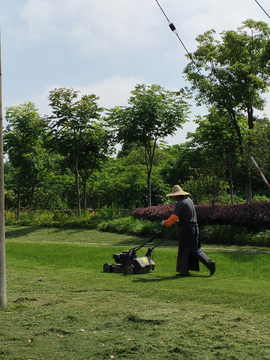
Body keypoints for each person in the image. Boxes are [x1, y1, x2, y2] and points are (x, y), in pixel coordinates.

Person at [161, 185, 215, 277]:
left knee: (185, 250)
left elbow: (173, 219)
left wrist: (165, 223)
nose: (173, 198)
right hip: (194, 227)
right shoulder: (189, 201)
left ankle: (208, 263)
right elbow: (187, 215)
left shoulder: (180, 203)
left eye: (174, 195)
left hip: (187, 230)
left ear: (178, 195)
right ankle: (186, 271)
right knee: (194, 249)